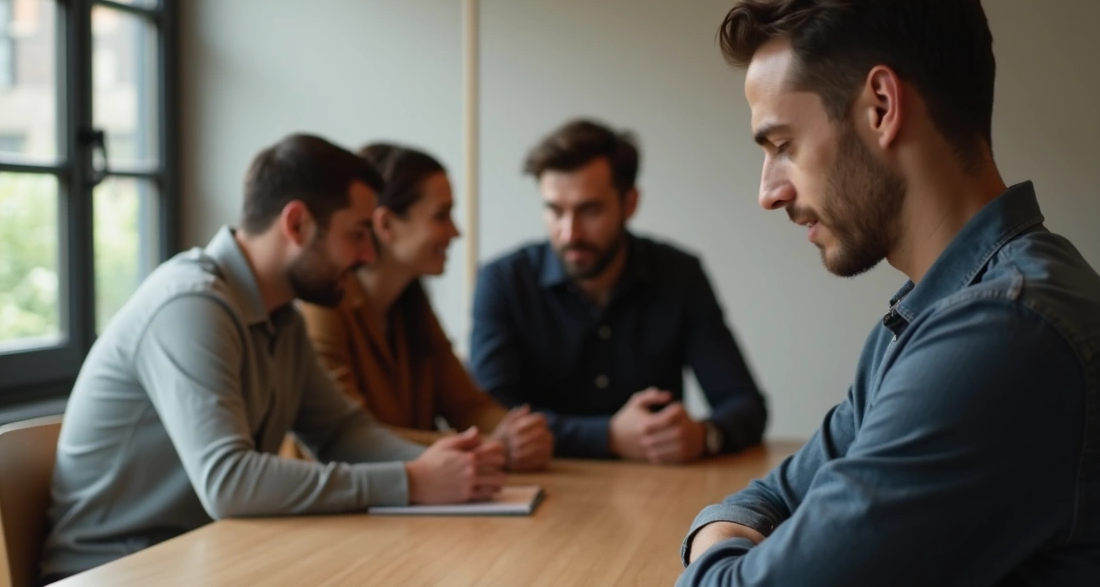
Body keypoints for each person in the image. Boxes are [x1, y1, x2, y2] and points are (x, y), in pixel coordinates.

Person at [677, 0, 1100, 585]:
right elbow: (773, 497)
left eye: (784, 146)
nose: (769, 192)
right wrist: (729, 530)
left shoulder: (1006, 334)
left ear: (881, 106)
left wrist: (715, 548)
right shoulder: (933, 316)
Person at [41, 134, 506, 581]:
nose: (368, 255)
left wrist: (450, 469)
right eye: (358, 234)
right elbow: (230, 483)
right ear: (297, 224)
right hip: (119, 571)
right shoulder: (189, 306)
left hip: (208, 558)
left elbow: (341, 432)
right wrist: (410, 480)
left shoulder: (282, 319)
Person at [469, 119, 768, 463]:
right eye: (554, 210)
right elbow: (493, 417)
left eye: (589, 210)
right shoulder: (503, 282)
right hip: (546, 491)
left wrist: (703, 436)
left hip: (657, 493)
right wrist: (607, 436)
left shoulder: (679, 274)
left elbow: (745, 404)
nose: (569, 234)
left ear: (629, 203)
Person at [298, 142, 554, 471]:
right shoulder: (323, 307)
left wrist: (520, 433)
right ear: (386, 225)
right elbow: (350, 438)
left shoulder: (412, 304)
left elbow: (468, 407)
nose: (456, 231)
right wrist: (489, 445)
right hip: (330, 512)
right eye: (441, 216)